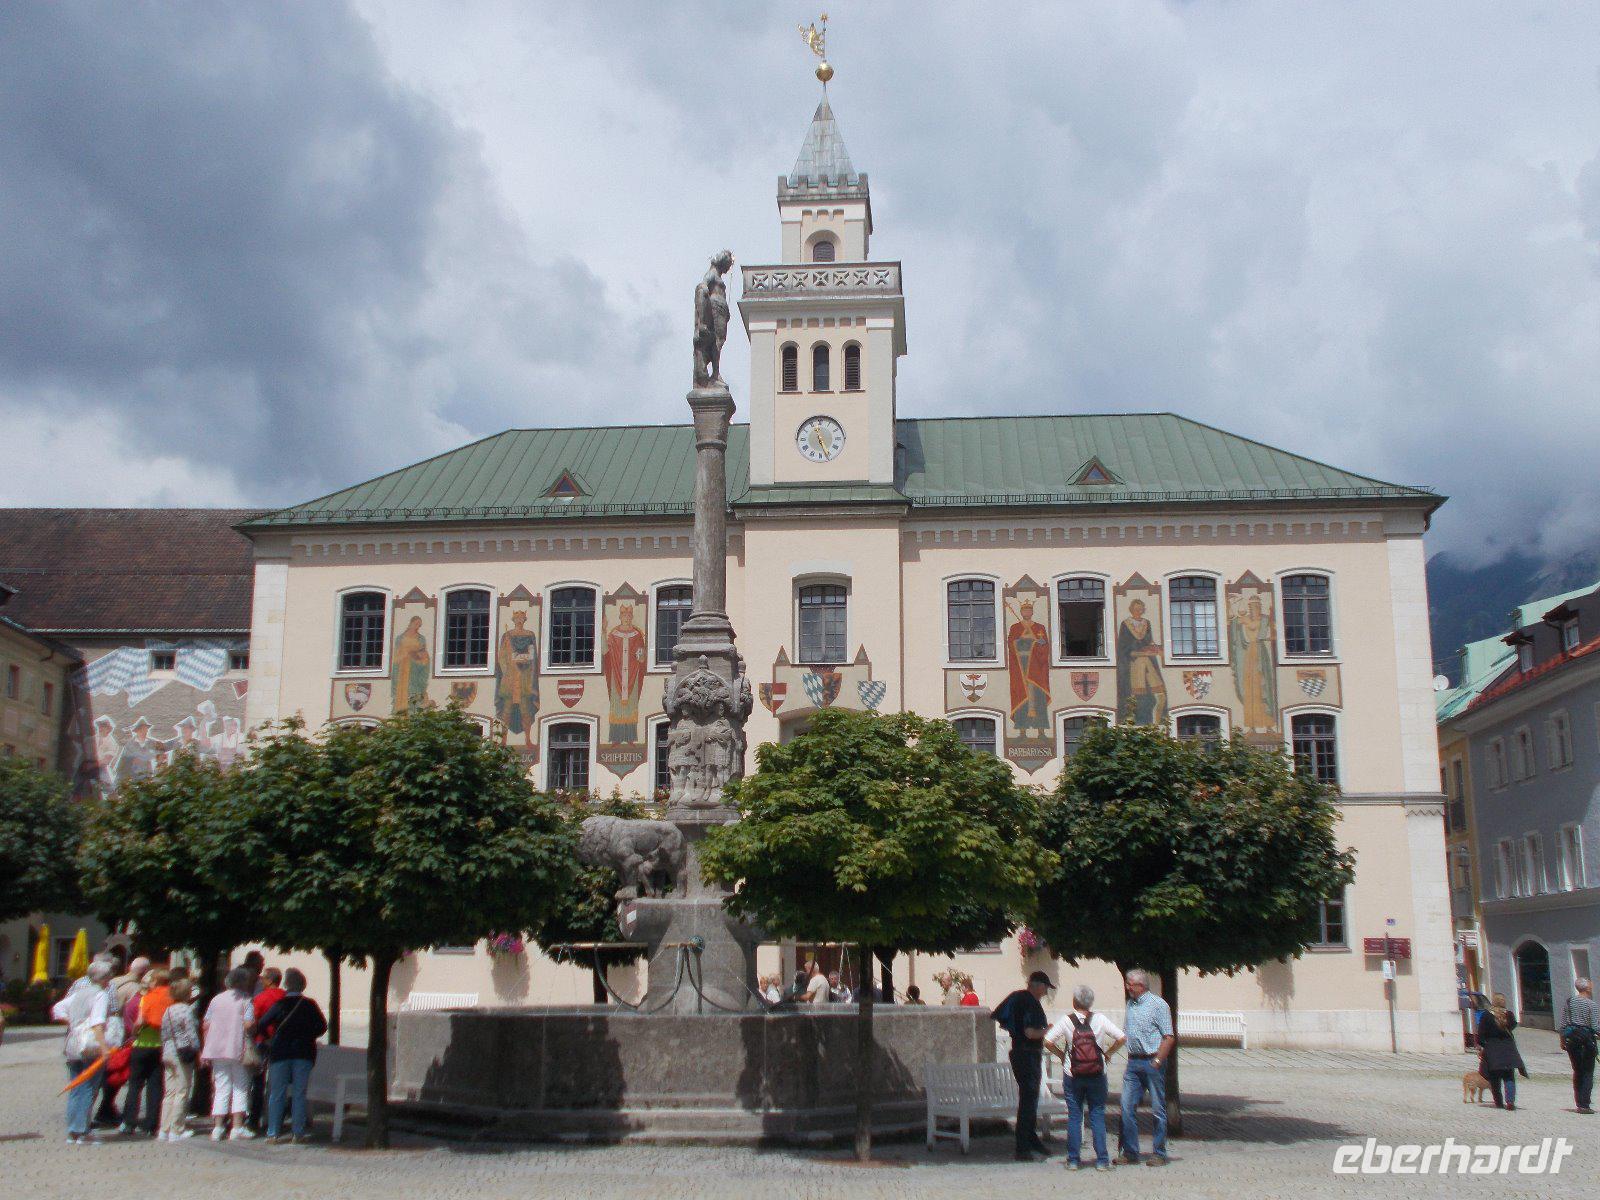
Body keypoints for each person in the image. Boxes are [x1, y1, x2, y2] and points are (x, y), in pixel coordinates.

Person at [1045, 984, 1126, 1171]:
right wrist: (1108, 1053)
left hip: (1072, 1073)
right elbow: (1121, 1037)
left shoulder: (1066, 1020)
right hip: (1097, 1073)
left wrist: (1061, 1055)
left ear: (1074, 1001)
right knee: (1097, 1114)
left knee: (1075, 1116)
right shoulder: (1100, 1019)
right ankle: (1102, 1161)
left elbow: (1048, 1041)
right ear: (1091, 1002)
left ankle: (1073, 1160)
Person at [260, 968, 328, 1143]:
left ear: (287, 985)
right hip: (303, 1052)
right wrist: (308, 1034)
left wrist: (270, 1038)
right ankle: (297, 1132)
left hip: (280, 1052)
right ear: (303, 985)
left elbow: (262, 1023)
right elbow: (322, 1026)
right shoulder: (309, 1004)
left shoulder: (280, 1004)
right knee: (299, 1093)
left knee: (277, 1092)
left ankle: (273, 1133)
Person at [992, 969, 1054, 1161]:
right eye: (1045, 988)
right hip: (1027, 1054)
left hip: (1018, 1052)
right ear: (1038, 986)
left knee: (1029, 1099)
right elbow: (1029, 1032)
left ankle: (1031, 1138)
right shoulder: (1029, 1003)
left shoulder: (1017, 998)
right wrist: (1047, 1030)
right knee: (1028, 1100)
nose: (1046, 992)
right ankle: (1022, 1147)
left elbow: (1004, 1021)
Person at [1119, 968, 1175, 1167]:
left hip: (1152, 1061)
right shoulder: (1130, 1005)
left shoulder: (1158, 1005)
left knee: (1158, 1109)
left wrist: (1158, 1061)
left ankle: (1159, 1152)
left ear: (1140, 986)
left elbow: (1168, 1037)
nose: (1127, 987)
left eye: (1130, 984)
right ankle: (1130, 1152)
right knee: (1126, 1107)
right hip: (1133, 1062)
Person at [57, 960, 113, 1144]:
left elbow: (58, 1008)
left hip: (73, 1044)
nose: (110, 980)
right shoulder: (100, 995)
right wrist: (105, 1049)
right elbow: (97, 1023)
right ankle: (83, 1131)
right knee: (88, 1087)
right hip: (89, 1046)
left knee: (76, 1087)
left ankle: (73, 1131)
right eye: (109, 976)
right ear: (104, 978)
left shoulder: (79, 993)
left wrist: (73, 1023)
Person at [201, 966, 258, 1140]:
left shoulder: (216, 999)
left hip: (216, 1048)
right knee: (240, 1087)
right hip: (237, 1047)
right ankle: (237, 1127)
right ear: (243, 982)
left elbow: (206, 1025)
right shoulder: (246, 1000)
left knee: (221, 1087)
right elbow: (248, 1025)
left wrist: (205, 1047)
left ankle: (217, 1128)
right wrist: (253, 1027)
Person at [121, 965, 171, 1136]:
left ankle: (129, 1122)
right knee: (155, 1086)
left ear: (155, 981)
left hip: (142, 1045)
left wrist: (134, 1033)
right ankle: (151, 1124)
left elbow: (139, 1021)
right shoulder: (173, 998)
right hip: (161, 1046)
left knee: (135, 1085)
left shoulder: (148, 998)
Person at [159, 978, 201, 1140]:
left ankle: (164, 1127)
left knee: (170, 1091)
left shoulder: (168, 1010)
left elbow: (164, 1033)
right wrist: (197, 1050)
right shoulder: (186, 1010)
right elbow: (191, 1033)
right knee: (182, 1090)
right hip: (182, 1052)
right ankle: (177, 1129)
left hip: (168, 1051)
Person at [247, 967, 287, 1132]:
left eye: (263, 978)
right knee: (279, 1083)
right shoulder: (286, 997)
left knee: (258, 1082)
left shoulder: (260, 998)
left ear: (270, 980)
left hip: (262, 1042)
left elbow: (253, 1021)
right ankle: (276, 1119)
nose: (261, 981)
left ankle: (254, 1120)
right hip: (282, 1043)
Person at [1477, 993, 1528, 1111]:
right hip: (1508, 1048)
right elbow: (1513, 1026)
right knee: (1509, 1076)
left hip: (1492, 1049)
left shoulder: (1486, 1016)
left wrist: (1481, 1046)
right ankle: (1510, 1102)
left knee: (1494, 1077)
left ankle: (1498, 1101)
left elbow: (1481, 1034)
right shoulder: (1509, 1015)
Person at [1560, 977, 1598, 1114]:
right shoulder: (1591, 1005)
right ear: (1587, 988)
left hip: (1572, 1041)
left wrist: (1562, 1041)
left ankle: (1579, 1102)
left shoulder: (1569, 1002)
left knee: (1578, 1070)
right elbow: (1595, 1027)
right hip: (1587, 1041)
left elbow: (1563, 1024)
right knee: (1588, 1072)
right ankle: (1585, 1104)